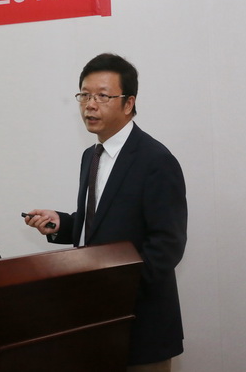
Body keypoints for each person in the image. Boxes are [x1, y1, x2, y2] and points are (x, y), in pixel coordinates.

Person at [24, 53, 187, 372]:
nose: (90, 105)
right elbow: (98, 225)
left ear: (128, 103)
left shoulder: (156, 161)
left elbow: (167, 246)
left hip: (140, 325)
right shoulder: (91, 155)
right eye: (84, 95)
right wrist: (62, 224)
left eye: (102, 96)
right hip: (95, 323)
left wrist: (113, 288)